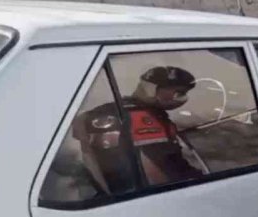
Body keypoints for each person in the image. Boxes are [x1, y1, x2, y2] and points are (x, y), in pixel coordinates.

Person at [74, 66, 209, 194]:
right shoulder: (141, 118)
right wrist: (202, 180)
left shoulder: (114, 109)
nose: (183, 98)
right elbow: (163, 169)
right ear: (152, 90)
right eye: (179, 92)